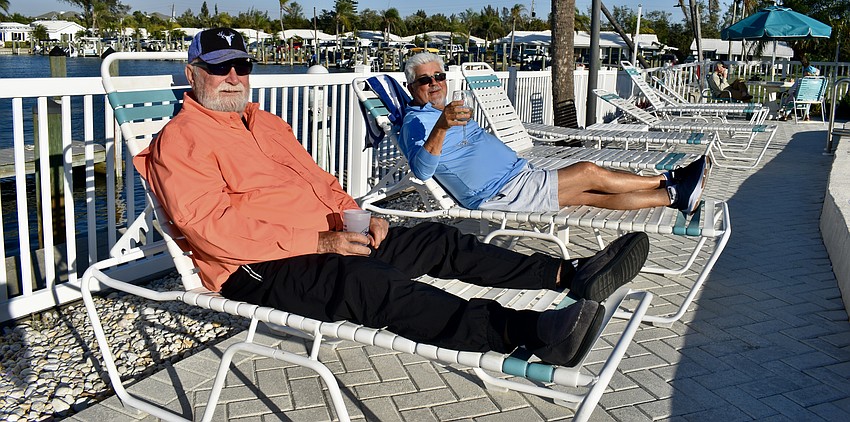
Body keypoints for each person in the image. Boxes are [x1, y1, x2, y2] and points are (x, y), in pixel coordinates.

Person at [134, 28, 652, 369]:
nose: (232, 78)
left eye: (241, 67)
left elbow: (321, 181)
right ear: (193, 72)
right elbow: (211, 229)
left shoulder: (265, 123)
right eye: (219, 67)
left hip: (333, 236)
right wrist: (319, 239)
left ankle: (568, 275)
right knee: (368, 285)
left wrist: (356, 217)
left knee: (438, 241)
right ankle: (531, 334)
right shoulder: (181, 141)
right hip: (258, 264)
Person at [400, 52, 708, 217]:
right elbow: (421, 170)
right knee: (588, 172)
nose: (434, 83)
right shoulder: (414, 123)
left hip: (518, 176)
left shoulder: (445, 108)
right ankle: (668, 179)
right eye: (425, 80)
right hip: (497, 192)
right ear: (411, 87)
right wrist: (441, 126)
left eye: (439, 76)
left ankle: (673, 197)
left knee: (592, 196)